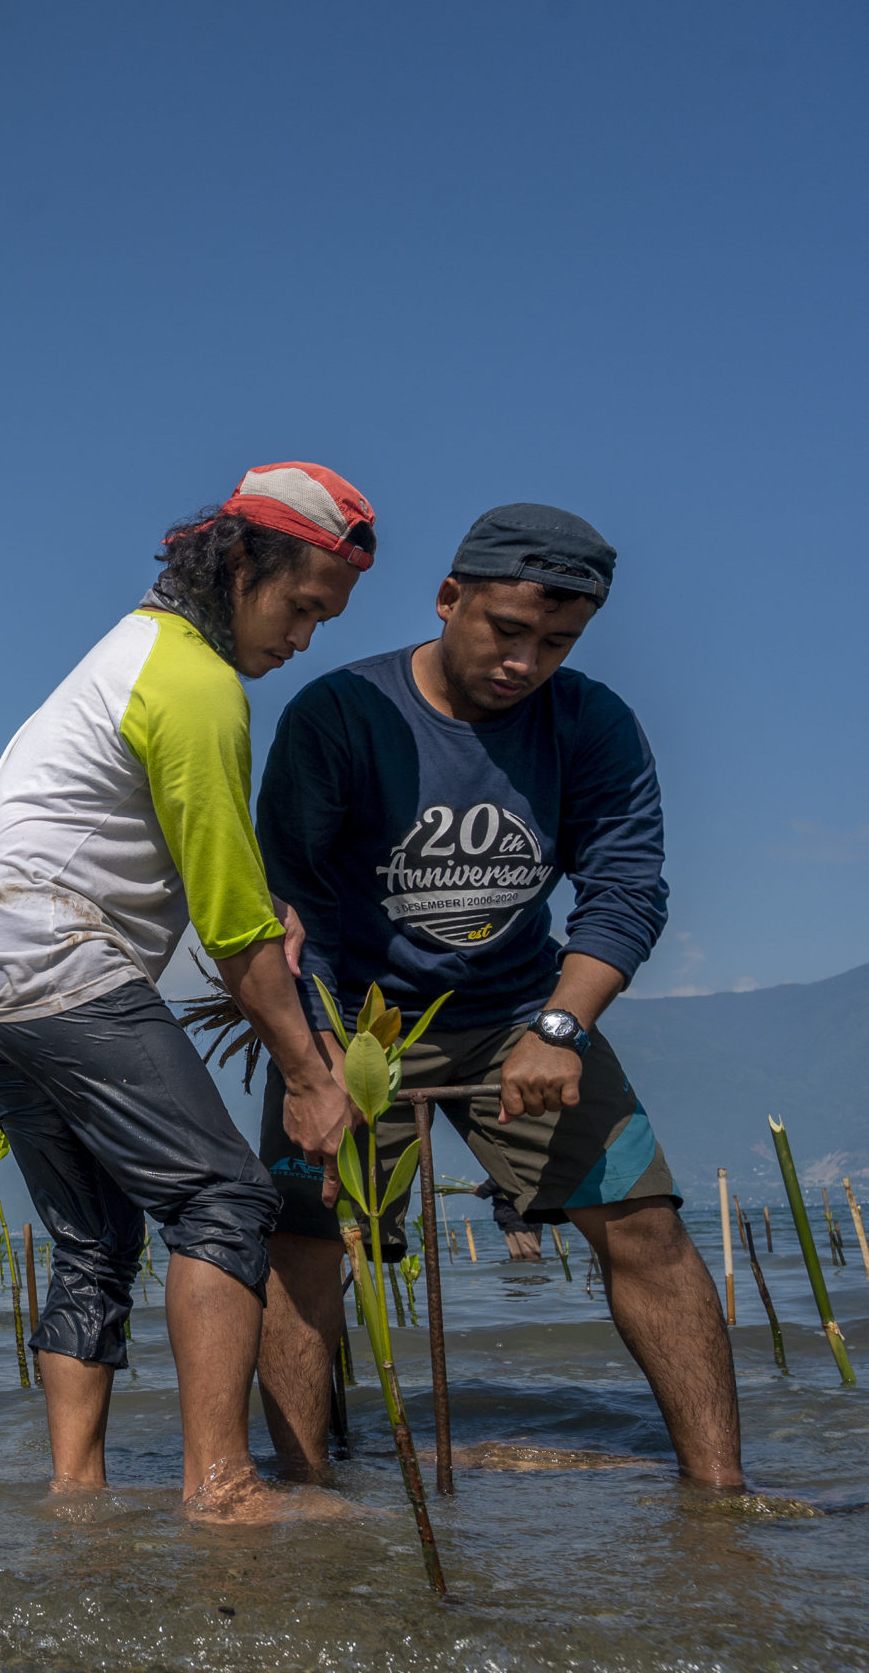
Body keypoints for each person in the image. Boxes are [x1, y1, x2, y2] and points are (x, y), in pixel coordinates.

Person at [252, 504, 743, 1488]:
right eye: (505, 631)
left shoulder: (589, 721)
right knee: (306, 1244)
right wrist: (312, 1060)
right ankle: (307, 1496)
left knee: (645, 1223)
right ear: (448, 598)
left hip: (521, 1009)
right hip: (355, 1016)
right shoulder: (341, 712)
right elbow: (281, 903)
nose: (525, 661)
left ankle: (720, 1494)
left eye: (555, 641)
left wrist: (560, 1026)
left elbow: (625, 888)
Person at [0, 462, 373, 1517]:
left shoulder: (136, 649)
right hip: (50, 963)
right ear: (241, 563)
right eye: (301, 607)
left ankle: (74, 1488)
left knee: (94, 1237)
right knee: (222, 1196)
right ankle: (219, 1484)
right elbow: (231, 933)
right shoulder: (195, 684)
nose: (303, 639)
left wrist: (262, 910)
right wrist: (310, 1074)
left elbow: (191, 861)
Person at [474, 1178, 543, 1260]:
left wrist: (481, 1190)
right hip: (532, 1214)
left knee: (525, 1257)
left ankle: (534, 1272)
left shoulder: (506, 1165)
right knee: (529, 1256)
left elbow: (499, 1179)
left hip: (516, 1217)